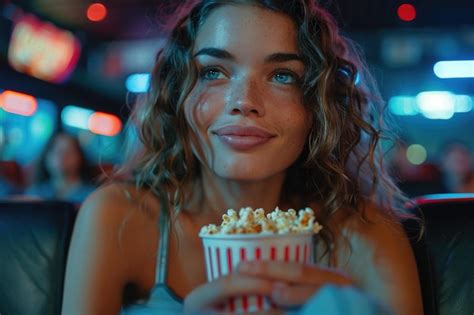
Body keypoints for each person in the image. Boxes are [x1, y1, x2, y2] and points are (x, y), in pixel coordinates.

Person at [62, 1, 423, 314]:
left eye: (282, 76)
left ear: (318, 105)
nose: (244, 100)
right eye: (213, 72)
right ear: (178, 94)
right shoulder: (119, 218)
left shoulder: (368, 237)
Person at [25, 131, 96, 204]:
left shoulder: (93, 196)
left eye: (69, 151)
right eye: (56, 151)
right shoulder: (34, 194)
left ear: (80, 157)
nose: (62, 156)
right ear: (46, 157)